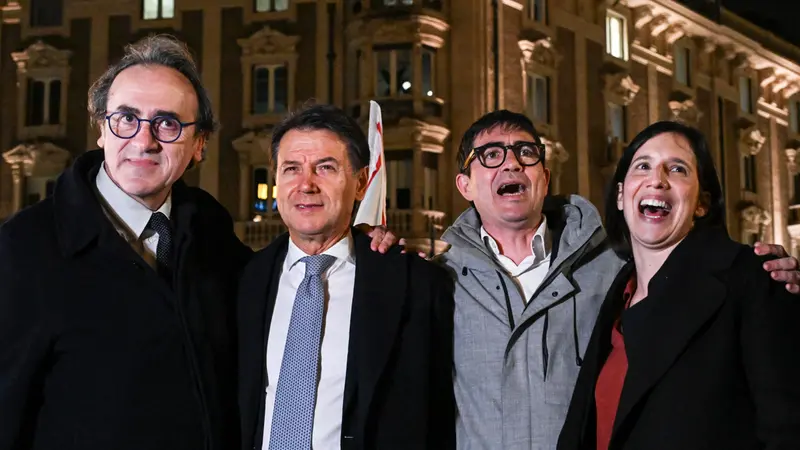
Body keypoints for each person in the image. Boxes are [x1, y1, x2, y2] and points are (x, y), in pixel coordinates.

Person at [0, 35, 397, 450]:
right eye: (125, 118)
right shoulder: (25, 249)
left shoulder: (207, 227)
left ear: (199, 145)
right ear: (102, 128)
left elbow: (278, 281)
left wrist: (357, 243)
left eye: (168, 123)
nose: (143, 140)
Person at [435, 110, 800, 449]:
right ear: (464, 185)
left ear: (544, 178)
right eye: (491, 155)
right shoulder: (437, 280)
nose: (512, 162)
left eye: (526, 152)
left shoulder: (611, 268)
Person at [557, 121, 800, 449]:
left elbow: (787, 429)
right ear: (620, 195)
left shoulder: (753, 277)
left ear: (701, 203)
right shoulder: (615, 294)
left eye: (677, 169)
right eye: (643, 166)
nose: (656, 180)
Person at [237, 104, 456, 450]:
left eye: (325, 168)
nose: (305, 184)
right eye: (291, 169)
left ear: (360, 183)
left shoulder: (416, 285)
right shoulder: (242, 281)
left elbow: (443, 414)